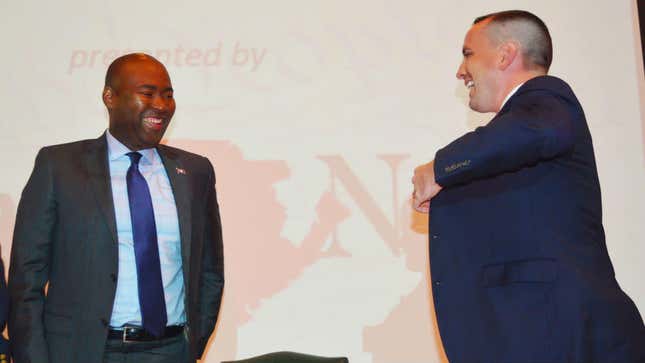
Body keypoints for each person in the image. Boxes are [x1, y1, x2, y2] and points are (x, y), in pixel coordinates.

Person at [412, 10, 645, 363]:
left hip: (567, 335)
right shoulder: (513, 138)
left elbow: (535, 132)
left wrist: (439, 169)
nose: (461, 71)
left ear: (505, 54)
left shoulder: (549, 98)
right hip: (543, 335)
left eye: (468, 54)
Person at [9, 53, 224, 363]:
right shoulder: (59, 167)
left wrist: (191, 345)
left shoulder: (195, 171)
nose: (161, 105)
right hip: (84, 353)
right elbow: (26, 278)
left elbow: (210, 270)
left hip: (171, 350)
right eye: (148, 93)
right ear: (109, 97)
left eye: (168, 95)